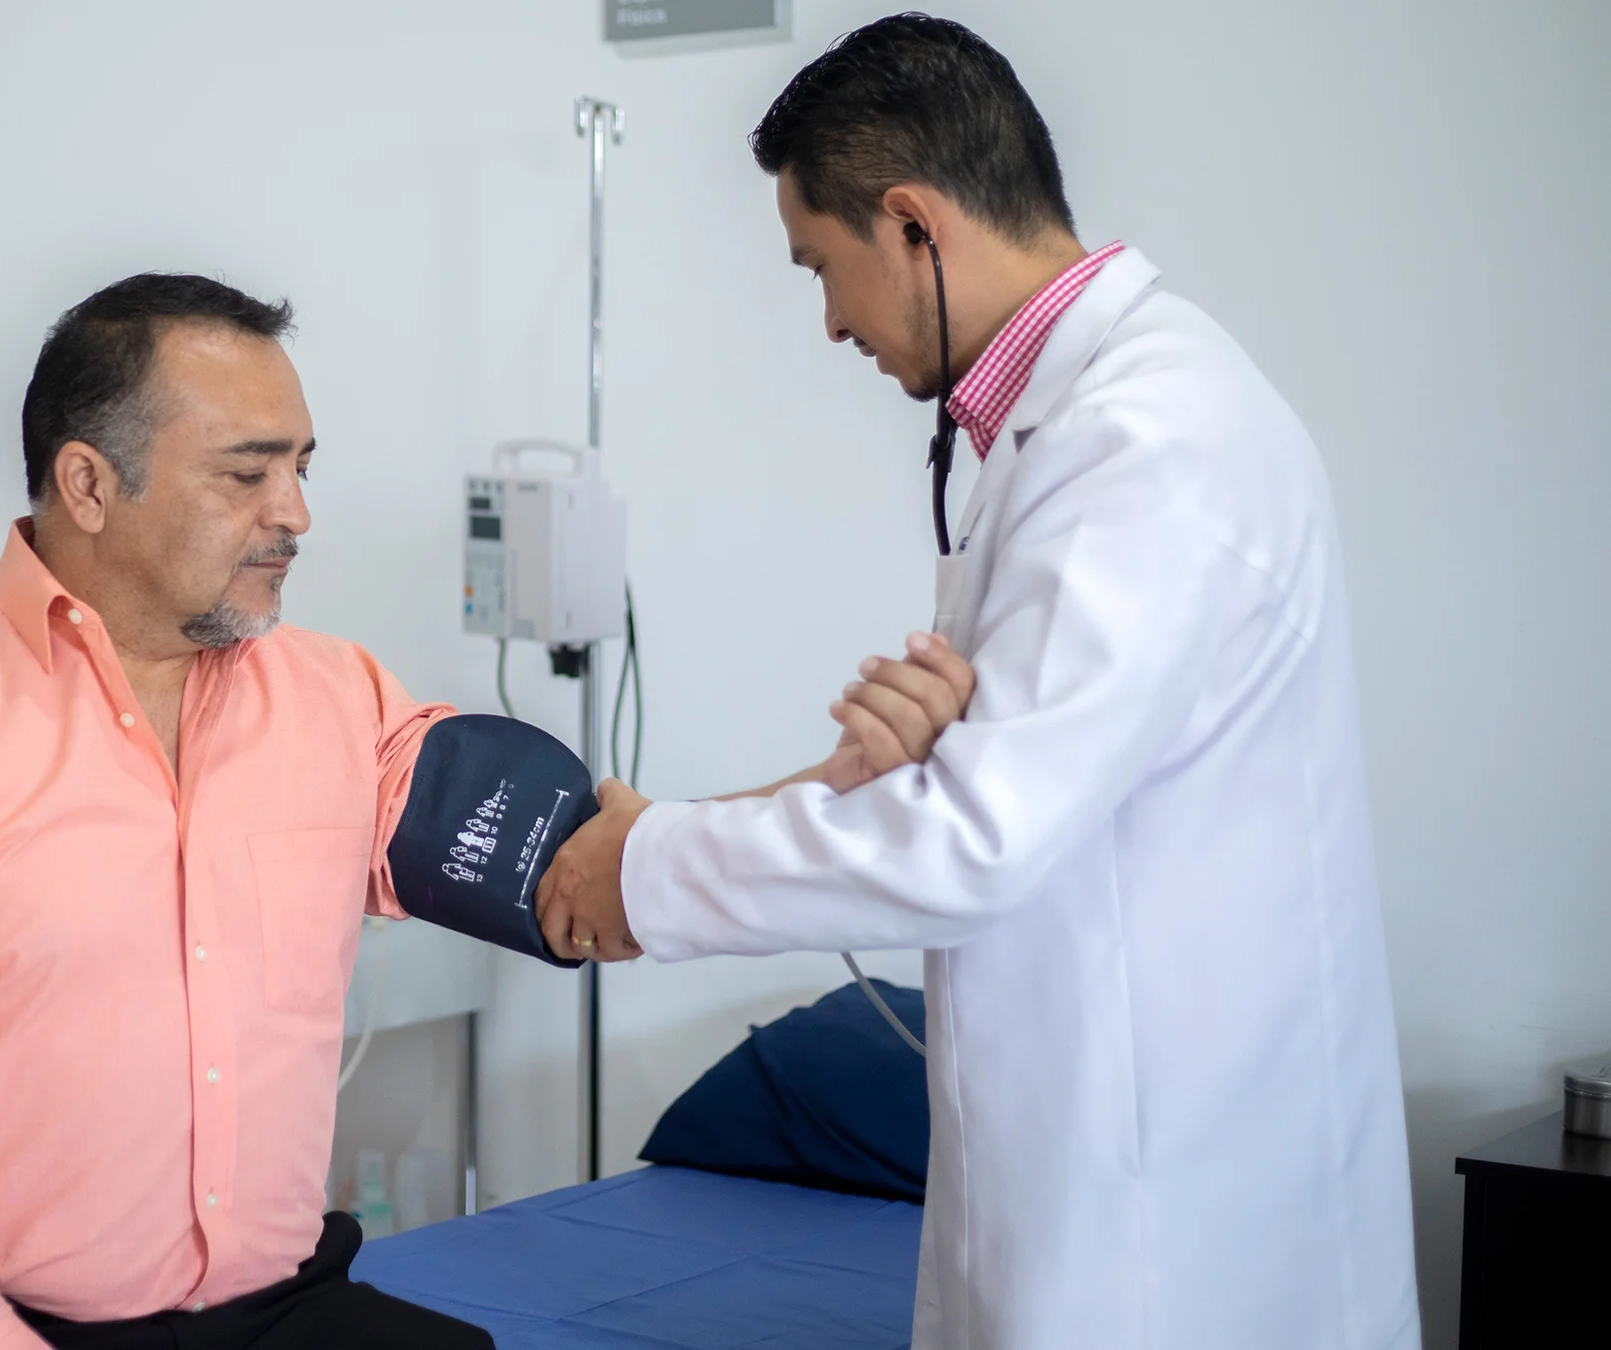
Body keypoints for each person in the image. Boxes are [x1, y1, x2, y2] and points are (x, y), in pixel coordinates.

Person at [0, 272, 972, 1350]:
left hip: (282, 1314)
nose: (296, 513)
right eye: (247, 473)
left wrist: (831, 788)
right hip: (0, 1327)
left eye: (302, 467)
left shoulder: (334, 700)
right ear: (88, 484)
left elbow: (584, 879)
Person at [536, 16, 1420, 1350]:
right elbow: (998, 788)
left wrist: (648, 873)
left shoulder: (1146, 441)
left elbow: (974, 836)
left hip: (1167, 1229)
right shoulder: (1074, 430)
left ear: (912, 225)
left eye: (821, 269)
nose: (831, 321)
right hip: (1104, 1162)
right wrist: (787, 800)